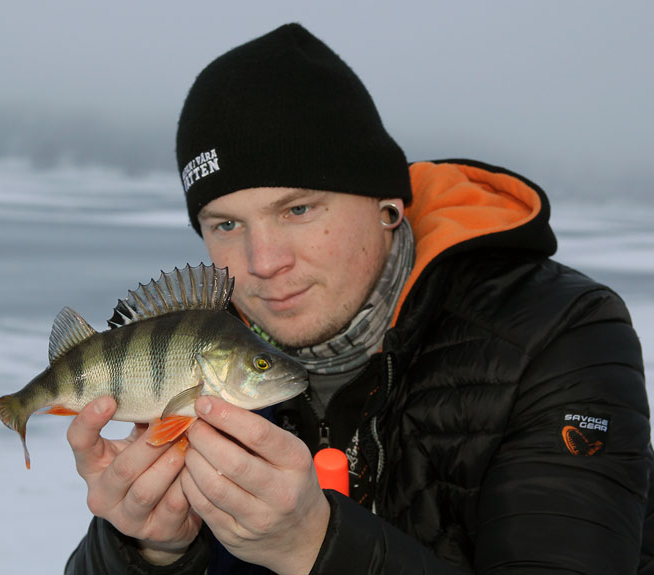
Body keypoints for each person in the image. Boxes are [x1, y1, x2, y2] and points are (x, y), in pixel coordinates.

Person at [64, 23, 653, 574]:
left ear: (385, 206)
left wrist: (315, 546)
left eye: (297, 209)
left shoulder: (556, 333)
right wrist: (150, 551)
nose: (264, 262)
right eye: (225, 225)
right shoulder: (207, 350)